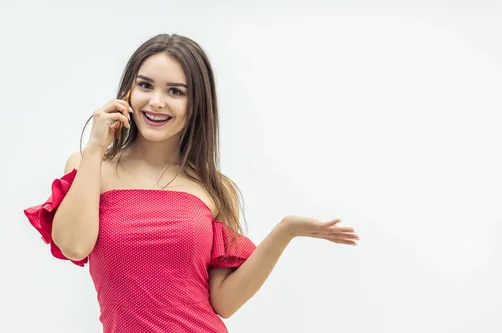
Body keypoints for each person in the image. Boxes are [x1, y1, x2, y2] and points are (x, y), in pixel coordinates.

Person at [23, 33, 359, 332]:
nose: (156, 101)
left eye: (175, 91)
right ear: (127, 92)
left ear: (195, 104)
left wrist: (284, 231)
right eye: (145, 85)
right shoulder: (88, 166)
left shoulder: (214, 188)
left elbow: (224, 303)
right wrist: (96, 146)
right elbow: (73, 245)